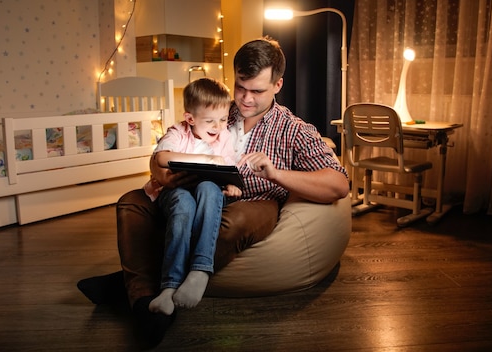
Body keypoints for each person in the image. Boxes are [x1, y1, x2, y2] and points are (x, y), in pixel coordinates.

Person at [79, 36, 349, 348]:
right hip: (191, 193)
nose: (245, 99)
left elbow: (338, 184)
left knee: (231, 222)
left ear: (278, 85)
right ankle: (145, 301)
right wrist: (162, 173)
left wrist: (275, 173)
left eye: (257, 91)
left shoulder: (294, 129)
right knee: (131, 203)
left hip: (252, 200)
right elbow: (169, 146)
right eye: (240, 87)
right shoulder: (218, 107)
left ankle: (133, 290)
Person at [143, 77, 241, 316]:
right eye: (210, 121)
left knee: (209, 188)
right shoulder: (179, 132)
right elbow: (163, 158)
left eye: (222, 119)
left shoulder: (224, 137)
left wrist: (231, 185)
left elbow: (229, 166)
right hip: (176, 192)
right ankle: (169, 286)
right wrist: (206, 160)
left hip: (208, 191)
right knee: (184, 206)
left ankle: (200, 269)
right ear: (190, 119)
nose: (217, 127)